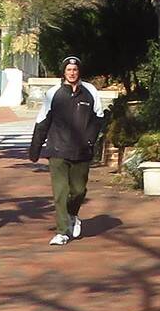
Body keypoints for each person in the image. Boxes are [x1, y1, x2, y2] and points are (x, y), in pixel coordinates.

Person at [29, 56, 105, 246]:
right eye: (69, 70)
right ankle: (62, 231)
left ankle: (72, 215)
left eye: (75, 70)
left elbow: (98, 118)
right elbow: (42, 121)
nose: (72, 73)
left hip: (82, 151)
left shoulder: (90, 92)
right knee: (61, 192)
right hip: (57, 149)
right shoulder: (53, 93)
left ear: (79, 72)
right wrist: (35, 149)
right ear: (64, 72)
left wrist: (90, 140)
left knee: (78, 191)